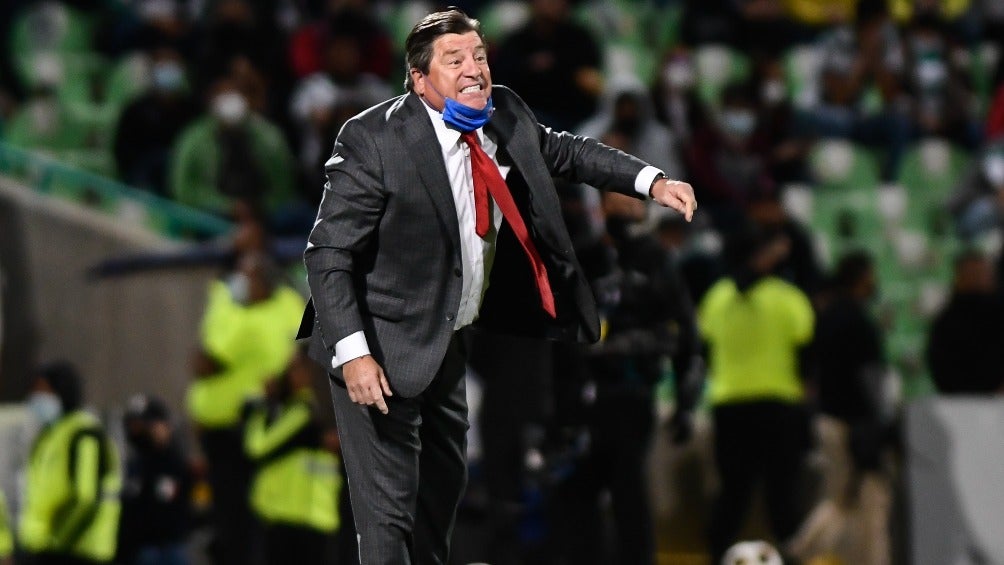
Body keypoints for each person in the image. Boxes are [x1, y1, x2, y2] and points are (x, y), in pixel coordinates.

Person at [299, 9, 697, 564]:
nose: (474, 69)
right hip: (378, 340)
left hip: (448, 335)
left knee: (441, 490)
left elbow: (570, 152)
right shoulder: (373, 137)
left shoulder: (504, 113)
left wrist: (651, 181)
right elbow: (328, 252)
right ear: (419, 79)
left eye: (479, 56)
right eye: (455, 59)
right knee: (388, 508)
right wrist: (354, 354)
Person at [698, 224, 814, 563]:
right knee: (783, 496)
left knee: (733, 494)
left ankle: (717, 557)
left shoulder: (716, 297)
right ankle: (791, 558)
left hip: (729, 405)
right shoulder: (788, 298)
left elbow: (705, 350)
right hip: (778, 406)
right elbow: (807, 358)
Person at [185, 250, 304, 565]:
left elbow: (206, 362)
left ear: (264, 283)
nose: (239, 281)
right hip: (224, 430)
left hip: (240, 430)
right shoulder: (256, 308)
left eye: (247, 275)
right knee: (226, 519)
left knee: (236, 522)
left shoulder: (254, 321)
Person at [790, 251, 893, 565]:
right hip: (854, 424)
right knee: (864, 500)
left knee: (846, 500)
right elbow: (870, 376)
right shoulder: (858, 320)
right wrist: (881, 419)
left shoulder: (826, 317)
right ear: (861, 279)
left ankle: (801, 551)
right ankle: (798, 552)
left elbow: (808, 371)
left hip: (829, 419)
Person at [244, 347, 342, 565]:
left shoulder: (301, 412)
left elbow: (257, 448)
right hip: (314, 516)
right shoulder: (325, 413)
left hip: (291, 516)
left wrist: (261, 409)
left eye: (296, 367)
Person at [19, 362, 122, 565]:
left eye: (44, 390)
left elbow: (86, 498)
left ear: (62, 391)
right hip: (46, 546)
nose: (36, 397)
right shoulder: (51, 434)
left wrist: (59, 540)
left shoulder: (85, 435)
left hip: (77, 550)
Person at [118, 395, 194, 565]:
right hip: (139, 549)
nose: (142, 432)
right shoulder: (133, 468)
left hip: (168, 547)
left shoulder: (176, 464)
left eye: (147, 426)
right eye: (135, 426)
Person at [926, 250, 1004, 394]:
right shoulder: (947, 321)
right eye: (973, 274)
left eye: (982, 273)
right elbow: (940, 364)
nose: (978, 278)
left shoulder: (998, 314)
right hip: (959, 400)